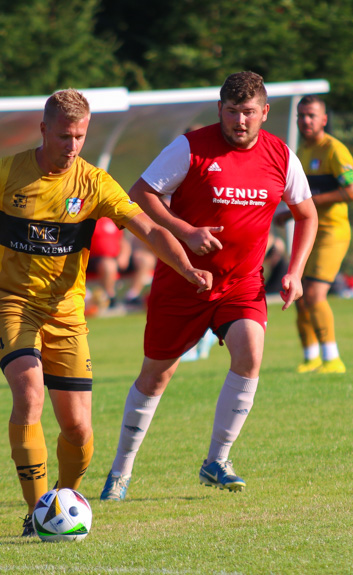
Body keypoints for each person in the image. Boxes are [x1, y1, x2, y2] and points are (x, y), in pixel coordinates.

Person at [0, 88, 211, 537]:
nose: (73, 147)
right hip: (10, 302)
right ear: (44, 129)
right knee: (29, 395)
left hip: (67, 315)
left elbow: (147, 228)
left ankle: (64, 502)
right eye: (65, 136)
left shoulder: (95, 184)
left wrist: (187, 266)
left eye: (81, 137)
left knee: (78, 429)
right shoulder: (7, 172)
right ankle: (36, 516)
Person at [100, 71, 318, 501]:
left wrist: (294, 271)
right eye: (233, 112)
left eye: (249, 113)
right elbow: (139, 194)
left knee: (251, 351)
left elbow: (307, 214)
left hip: (241, 285)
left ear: (265, 113)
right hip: (184, 282)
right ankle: (120, 472)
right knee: (156, 376)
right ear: (220, 109)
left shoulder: (281, 155)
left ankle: (217, 460)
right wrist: (186, 230)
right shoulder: (189, 147)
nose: (240, 121)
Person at [275, 95, 353, 374]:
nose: (305, 121)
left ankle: (333, 359)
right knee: (297, 293)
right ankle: (311, 357)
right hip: (308, 232)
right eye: (301, 116)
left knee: (313, 293)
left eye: (311, 115)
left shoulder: (335, 150)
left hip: (332, 233)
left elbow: (352, 191)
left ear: (324, 119)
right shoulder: (302, 152)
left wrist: (303, 208)